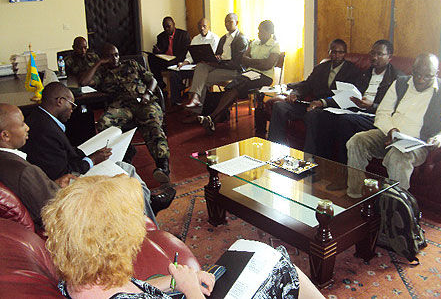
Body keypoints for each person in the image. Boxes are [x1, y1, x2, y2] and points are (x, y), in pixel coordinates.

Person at [42, 174, 325, 299]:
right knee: (280, 266)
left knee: (247, 253)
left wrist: (174, 280)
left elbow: (136, 287)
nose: (142, 222)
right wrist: (189, 290)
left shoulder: (83, 273)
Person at [21, 83, 170, 220]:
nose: (73, 110)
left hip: (70, 169)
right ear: (60, 101)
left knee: (125, 166)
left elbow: (62, 152)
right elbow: (63, 173)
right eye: (72, 104)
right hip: (69, 183)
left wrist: (89, 154)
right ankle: (149, 211)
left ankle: (148, 203)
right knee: (125, 172)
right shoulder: (45, 130)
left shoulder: (42, 119)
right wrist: (91, 160)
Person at [347, 53, 441, 193]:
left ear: (436, 74)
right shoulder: (400, 83)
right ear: (413, 69)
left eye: (427, 76)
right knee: (357, 141)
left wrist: (438, 139)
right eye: (417, 74)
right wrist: (391, 130)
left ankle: (397, 207)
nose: (420, 79)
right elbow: (382, 112)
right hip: (389, 135)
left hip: (417, 143)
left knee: (397, 156)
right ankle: (355, 193)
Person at [81, 43, 173, 187]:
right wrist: (99, 63)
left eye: (116, 54)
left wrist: (148, 94)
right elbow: (83, 82)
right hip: (122, 107)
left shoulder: (131, 64)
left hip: (144, 102)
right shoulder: (102, 73)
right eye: (110, 56)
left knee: (153, 123)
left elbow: (152, 80)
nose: (115, 58)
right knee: (104, 123)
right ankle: (127, 150)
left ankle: (163, 166)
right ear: (104, 58)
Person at [303, 40, 401, 163]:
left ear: (390, 57)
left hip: (375, 117)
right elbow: (347, 95)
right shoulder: (364, 74)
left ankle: (341, 166)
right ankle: (315, 161)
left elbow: (395, 109)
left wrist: (372, 106)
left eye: (380, 54)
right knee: (318, 114)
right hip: (356, 111)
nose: (374, 57)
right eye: (372, 53)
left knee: (345, 120)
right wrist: (323, 102)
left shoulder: (397, 79)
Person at [267, 39, 360, 145]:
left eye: (341, 52)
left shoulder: (352, 71)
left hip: (331, 108)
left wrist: (322, 102)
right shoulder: (320, 68)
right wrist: (295, 94)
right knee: (279, 106)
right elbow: (307, 85)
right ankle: (274, 146)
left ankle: (309, 157)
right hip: (311, 104)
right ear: (329, 52)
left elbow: (348, 95)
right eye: (334, 52)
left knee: (313, 114)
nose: (337, 55)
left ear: (345, 54)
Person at [198, 20, 280, 134]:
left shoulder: (275, 46)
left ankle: (212, 117)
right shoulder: (254, 43)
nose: (258, 33)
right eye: (258, 30)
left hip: (264, 77)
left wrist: (252, 62)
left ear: (268, 32)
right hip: (249, 74)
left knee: (238, 84)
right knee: (237, 86)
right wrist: (258, 62)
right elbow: (243, 59)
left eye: (261, 31)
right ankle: (213, 119)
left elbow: (267, 65)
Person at [0, 103, 73, 228]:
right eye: (22, 124)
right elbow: (58, 213)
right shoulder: (25, 171)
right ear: (5, 135)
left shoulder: (6, 163)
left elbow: (31, 195)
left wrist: (51, 185)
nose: (27, 127)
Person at [186, 13, 249, 109]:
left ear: (236, 23)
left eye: (230, 22)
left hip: (234, 70)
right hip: (222, 65)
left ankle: (198, 111)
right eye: (225, 22)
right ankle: (196, 98)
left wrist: (219, 63)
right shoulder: (224, 38)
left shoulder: (241, 39)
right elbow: (218, 54)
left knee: (202, 79)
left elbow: (237, 63)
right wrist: (215, 59)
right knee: (200, 66)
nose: (227, 24)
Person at [169, 18, 219, 107]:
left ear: (208, 27)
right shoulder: (196, 39)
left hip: (206, 67)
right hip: (193, 66)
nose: (202, 29)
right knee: (174, 74)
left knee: (200, 71)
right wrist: (183, 63)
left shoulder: (214, 39)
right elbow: (190, 56)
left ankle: (197, 101)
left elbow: (212, 57)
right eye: (200, 27)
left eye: (204, 26)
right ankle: (177, 102)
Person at [147, 16, 191, 89]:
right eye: (165, 27)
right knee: (151, 57)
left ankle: (178, 85)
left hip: (178, 59)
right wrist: (157, 51)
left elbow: (185, 53)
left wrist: (175, 60)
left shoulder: (183, 35)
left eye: (168, 26)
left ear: (174, 24)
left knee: (171, 63)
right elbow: (159, 51)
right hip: (166, 60)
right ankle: (159, 82)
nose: (166, 29)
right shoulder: (161, 36)